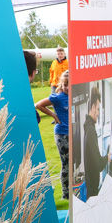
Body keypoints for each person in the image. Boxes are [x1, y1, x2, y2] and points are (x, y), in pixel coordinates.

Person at [35, 70, 71, 200]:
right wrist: (54, 115)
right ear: (62, 84)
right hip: (62, 135)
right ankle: (66, 194)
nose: (67, 87)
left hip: (75, 133)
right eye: (65, 84)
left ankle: (77, 190)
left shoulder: (78, 95)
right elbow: (39, 105)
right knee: (66, 164)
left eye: (70, 84)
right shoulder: (58, 97)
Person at [83, 86, 107, 198]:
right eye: (97, 109)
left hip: (91, 185)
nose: (98, 113)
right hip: (92, 189)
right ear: (93, 107)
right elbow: (97, 164)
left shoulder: (88, 127)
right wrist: (108, 157)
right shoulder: (91, 130)